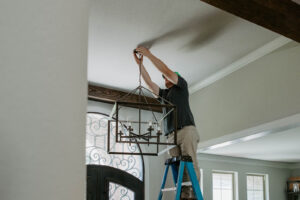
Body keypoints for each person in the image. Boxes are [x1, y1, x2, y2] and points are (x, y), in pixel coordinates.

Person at [134, 46, 200, 199]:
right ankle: (184, 195)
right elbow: (149, 83)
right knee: (178, 167)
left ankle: (194, 195)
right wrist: (140, 64)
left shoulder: (181, 86)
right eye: (164, 78)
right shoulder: (164, 94)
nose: (165, 78)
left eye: (168, 77)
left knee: (190, 163)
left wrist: (148, 54)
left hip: (186, 130)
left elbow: (166, 71)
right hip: (171, 135)